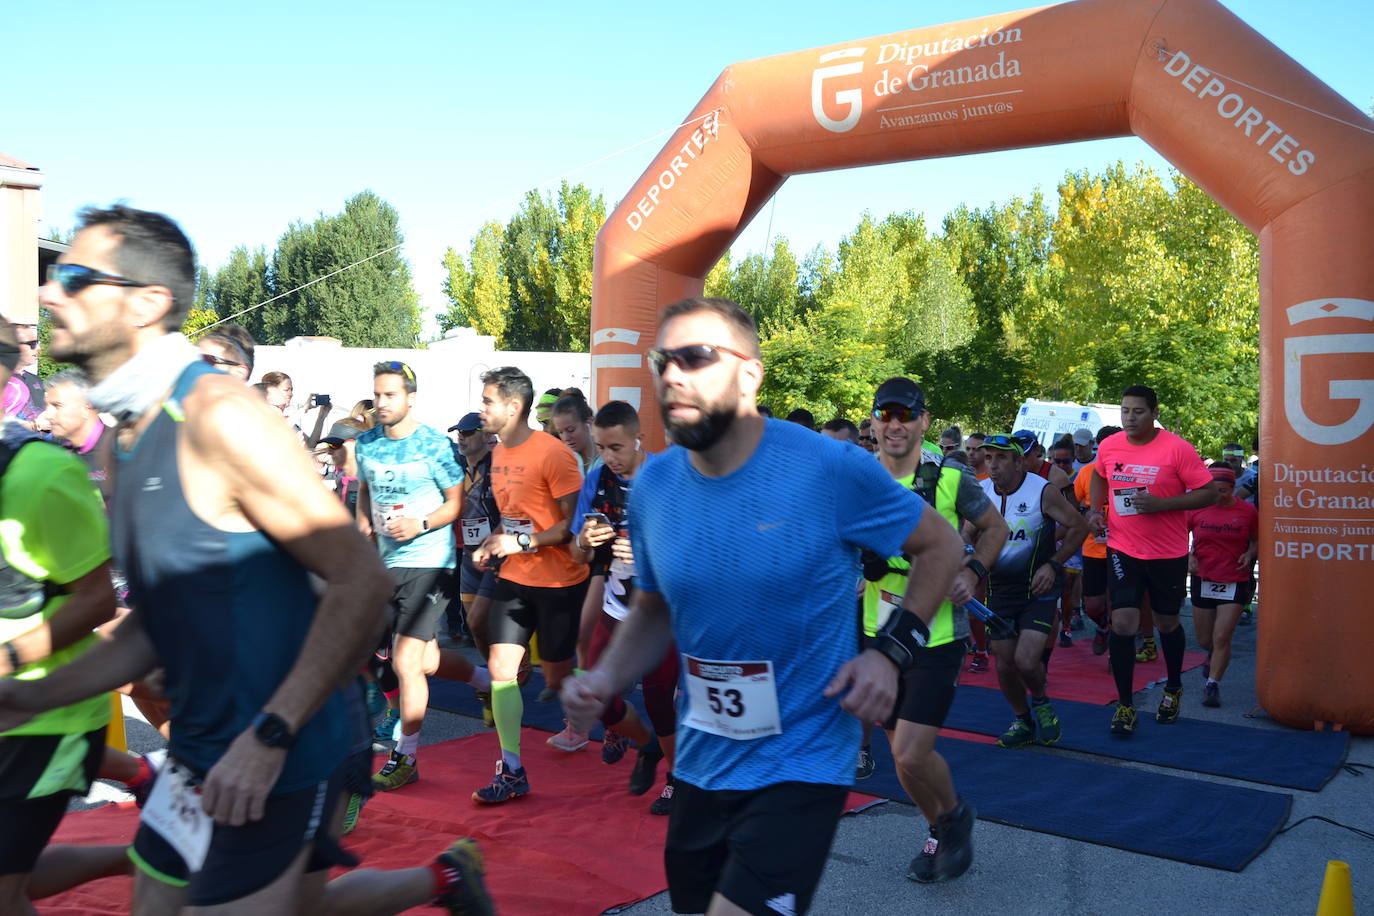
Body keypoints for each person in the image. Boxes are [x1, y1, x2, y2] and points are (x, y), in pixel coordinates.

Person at [3, 205, 491, 913]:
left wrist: (269, 735)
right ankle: (444, 880)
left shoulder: (216, 415)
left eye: (75, 278)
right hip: (198, 755)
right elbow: (152, 623)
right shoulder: (125, 438)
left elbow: (359, 577)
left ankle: (443, 878)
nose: (50, 293)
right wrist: (31, 694)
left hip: (280, 752)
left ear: (148, 304)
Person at [561, 297, 966, 916]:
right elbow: (653, 609)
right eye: (662, 360)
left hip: (802, 758)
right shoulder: (655, 489)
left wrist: (891, 653)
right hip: (702, 759)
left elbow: (940, 545)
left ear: (749, 374)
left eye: (695, 357)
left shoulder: (828, 467)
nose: (672, 374)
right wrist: (606, 679)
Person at [860, 377, 1007, 883]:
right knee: (904, 762)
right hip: (877, 635)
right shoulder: (859, 479)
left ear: (923, 422)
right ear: (874, 421)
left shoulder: (951, 479)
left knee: (909, 752)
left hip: (937, 635)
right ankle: (943, 824)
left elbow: (996, 530)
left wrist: (971, 572)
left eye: (906, 416)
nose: (895, 425)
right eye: (886, 415)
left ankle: (951, 819)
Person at [0, 321, 122, 916]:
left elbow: (97, 599)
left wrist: (10, 658)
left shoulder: (44, 472)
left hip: (44, 718)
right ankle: (144, 850)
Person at [355, 361, 481, 792]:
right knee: (419, 662)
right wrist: (362, 522)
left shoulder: (433, 445)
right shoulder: (367, 443)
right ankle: (482, 682)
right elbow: (366, 490)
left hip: (430, 562)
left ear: (410, 397)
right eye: (377, 395)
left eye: (390, 395)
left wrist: (420, 524)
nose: (381, 403)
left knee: (407, 660)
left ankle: (405, 755)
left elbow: (455, 504)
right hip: (384, 565)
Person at [471, 366, 590, 803]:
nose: (481, 408)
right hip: (516, 577)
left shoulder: (553, 454)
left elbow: (571, 528)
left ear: (513, 406)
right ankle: (512, 769)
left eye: (487, 401)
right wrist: (492, 544)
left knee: (559, 677)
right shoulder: (497, 452)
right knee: (503, 671)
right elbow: (512, 517)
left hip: (560, 581)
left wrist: (519, 540)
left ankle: (612, 715)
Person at [1089, 385, 1217, 735]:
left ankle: (1174, 686)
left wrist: (1163, 504)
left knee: (1166, 623)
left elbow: (1208, 492)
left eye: (1138, 411)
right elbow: (1100, 475)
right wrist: (1094, 510)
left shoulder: (1177, 449)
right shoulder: (1110, 445)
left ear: (1154, 412)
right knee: (1123, 623)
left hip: (1167, 553)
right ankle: (1125, 705)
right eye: (1125, 411)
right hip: (1123, 547)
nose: (1129, 418)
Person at [568, 401, 675, 807]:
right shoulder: (594, 483)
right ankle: (646, 746)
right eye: (601, 448)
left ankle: (676, 778)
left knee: (659, 698)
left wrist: (648, 553)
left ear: (637, 439)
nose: (608, 457)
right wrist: (584, 542)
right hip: (616, 607)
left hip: (662, 613)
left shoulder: (668, 478)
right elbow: (578, 556)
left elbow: (696, 550)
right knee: (595, 694)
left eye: (616, 447)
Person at [978, 435, 1087, 750]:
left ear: (1017, 461)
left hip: (1038, 585)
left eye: (1000, 458)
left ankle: (1041, 702)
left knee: (1026, 660)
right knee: (1003, 662)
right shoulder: (980, 493)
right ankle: (1022, 719)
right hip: (999, 591)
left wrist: (1053, 564)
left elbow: (1079, 526)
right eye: (988, 458)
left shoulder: (1042, 491)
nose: (993, 465)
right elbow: (967, 533)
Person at [1187, 466, 1258, 707]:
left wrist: (1250, 553)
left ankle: (1212, 686)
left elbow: (1257, 540)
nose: (1220, 496)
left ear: (1233, 488)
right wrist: (1188, 556)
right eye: (1215, 491)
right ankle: (1213, 656)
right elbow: (1177, 536)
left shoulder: (1247, 511)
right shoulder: (1197, 508)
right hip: (1203, 578)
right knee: (1205, 640)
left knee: (1222, 636)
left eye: (1225, 491)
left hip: (1234, 579)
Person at [451, 411, 499, 658]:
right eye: (459, 432)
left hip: (498, 556)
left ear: (486, 435)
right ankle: (494, 670)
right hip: (469, 555)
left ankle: (505, 670)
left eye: (468, 432)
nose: (461, 437)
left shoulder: (499, 467)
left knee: (487, 620)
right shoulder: (456, 469)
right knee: (474, 622)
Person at [1074, 426, 1120, 656]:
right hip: (1093, 549)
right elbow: (1071, 507)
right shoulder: (1087, 472)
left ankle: (1118, 651)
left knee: (1118, 603)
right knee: (1092, 605)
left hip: (1123, 549)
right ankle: (1103, 626)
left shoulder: (1129, 472)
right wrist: (1088, 516)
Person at [39, 370, 114, 503]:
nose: (48, 415)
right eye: (47, 406)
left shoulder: (119, 449)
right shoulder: (56, 454)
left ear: (86, 407)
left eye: (57, 406)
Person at [551, 393, 600, 475]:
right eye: (560, 432)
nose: (566, 437)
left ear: (588, 422)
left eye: (571, 430)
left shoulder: (607, 457)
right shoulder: (562, 460)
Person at [11, 324, 45, 415]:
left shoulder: (36, 380)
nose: (38, 348)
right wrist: (34, 425)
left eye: (38, 343)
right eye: (33, 344)